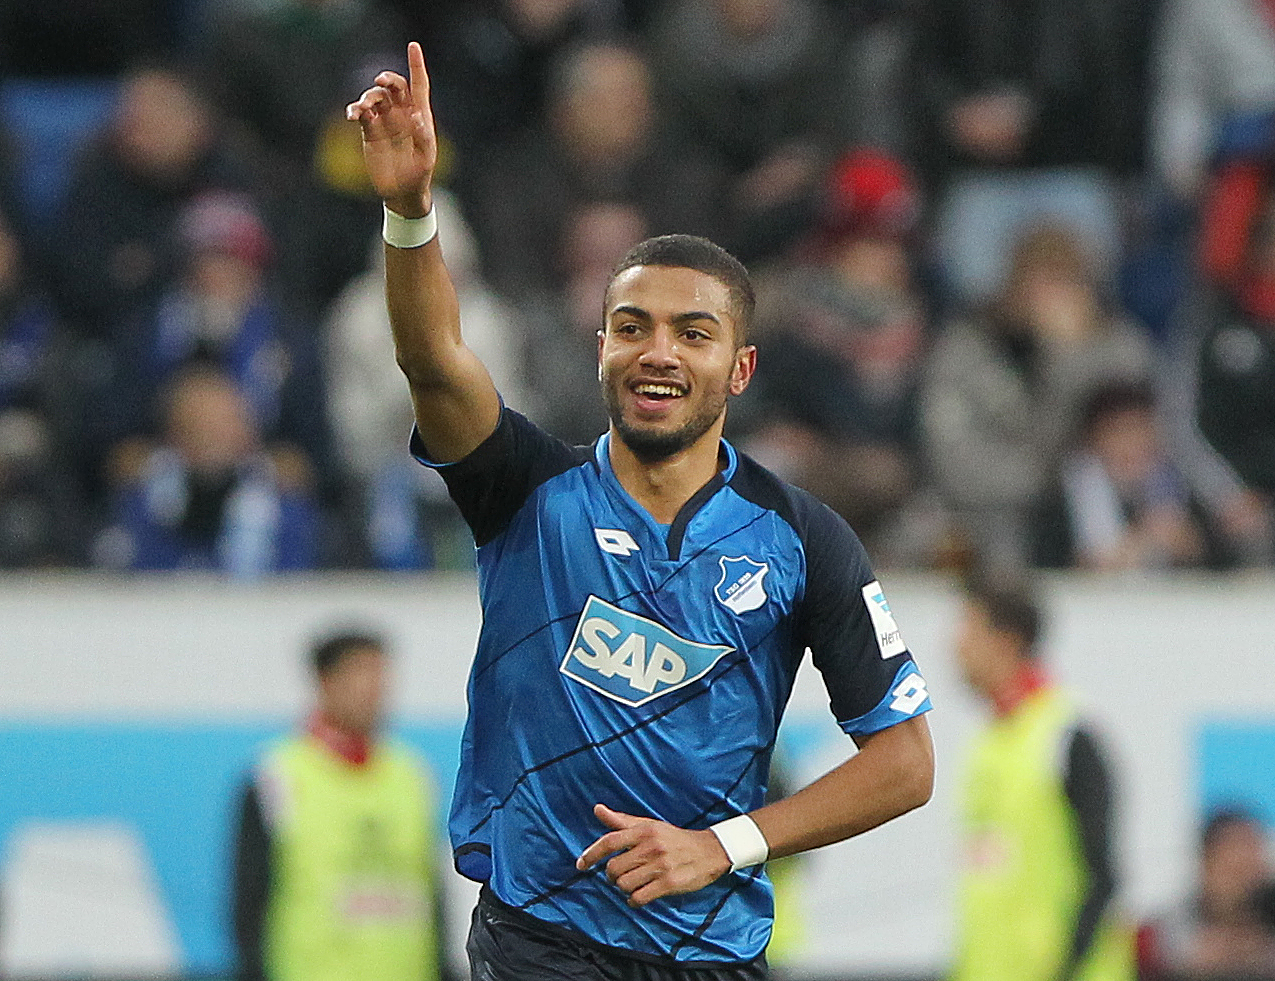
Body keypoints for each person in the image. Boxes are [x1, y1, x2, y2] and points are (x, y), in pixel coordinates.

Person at [346, 43, 935, 978]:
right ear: (601, 350)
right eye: (632, 327)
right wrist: (411, 211)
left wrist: (723, 844)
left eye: (693, 333)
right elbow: (433, 361)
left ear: (739, 369)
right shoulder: (525, 490)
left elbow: (905, 761)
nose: (658, 352)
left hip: (710, 950)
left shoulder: (802, 538)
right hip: (539, 940)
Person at [231, 630, 445, 981]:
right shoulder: (276, 777)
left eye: (380, 674)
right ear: (325, 681)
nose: (374, 689)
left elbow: (433, 894)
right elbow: (249, 903)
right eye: (360, 673)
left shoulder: (412, 776)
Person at [951, 578, 1133, 981]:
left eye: (969, 630)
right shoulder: (987, 743)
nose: (955, 647)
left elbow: (1103, 878)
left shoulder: (1068, 736)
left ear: (1008, 641)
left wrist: (1064, 968)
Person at [1139, 807, 1275, 979]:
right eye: (1233, 871)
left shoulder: (1267, 925)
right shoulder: (1165, 930)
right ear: (1206, 862)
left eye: (1252, 870)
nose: (1244, 885)